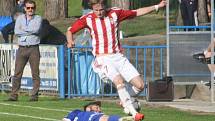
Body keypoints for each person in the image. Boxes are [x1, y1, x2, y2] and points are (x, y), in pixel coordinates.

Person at [66, 0, 167, 120]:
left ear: (105, 7)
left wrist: (157, 6)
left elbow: (136, 12)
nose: (98, 12)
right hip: (102, 58)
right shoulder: (87, 18)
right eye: (96, 10)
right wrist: (70, 41)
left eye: (101, 10)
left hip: (118, 57)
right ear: (92, 8)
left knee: (140, 85)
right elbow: (70, 30)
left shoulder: (115, 13)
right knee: (119, 81)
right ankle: (134, 113)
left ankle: (124, 99)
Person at [7, 0, 42, 101]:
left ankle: (34, 95)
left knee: (35, 73)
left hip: (33, 48)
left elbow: (36, 30)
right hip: (22, 48)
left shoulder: (38, 18)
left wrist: (24, 29)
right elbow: (17, 31)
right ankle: (14, 95)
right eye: (28, 8)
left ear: (35, 8)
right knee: (17, 73)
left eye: (32, 8)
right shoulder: (20, 18)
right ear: (25, 9)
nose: (30, 10)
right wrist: (28, 30)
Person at [62, 101, 134, 121]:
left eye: (99, 108)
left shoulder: (99, 114)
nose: (99, 109)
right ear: (88, 108)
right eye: (96, 107)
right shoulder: (77, 112)